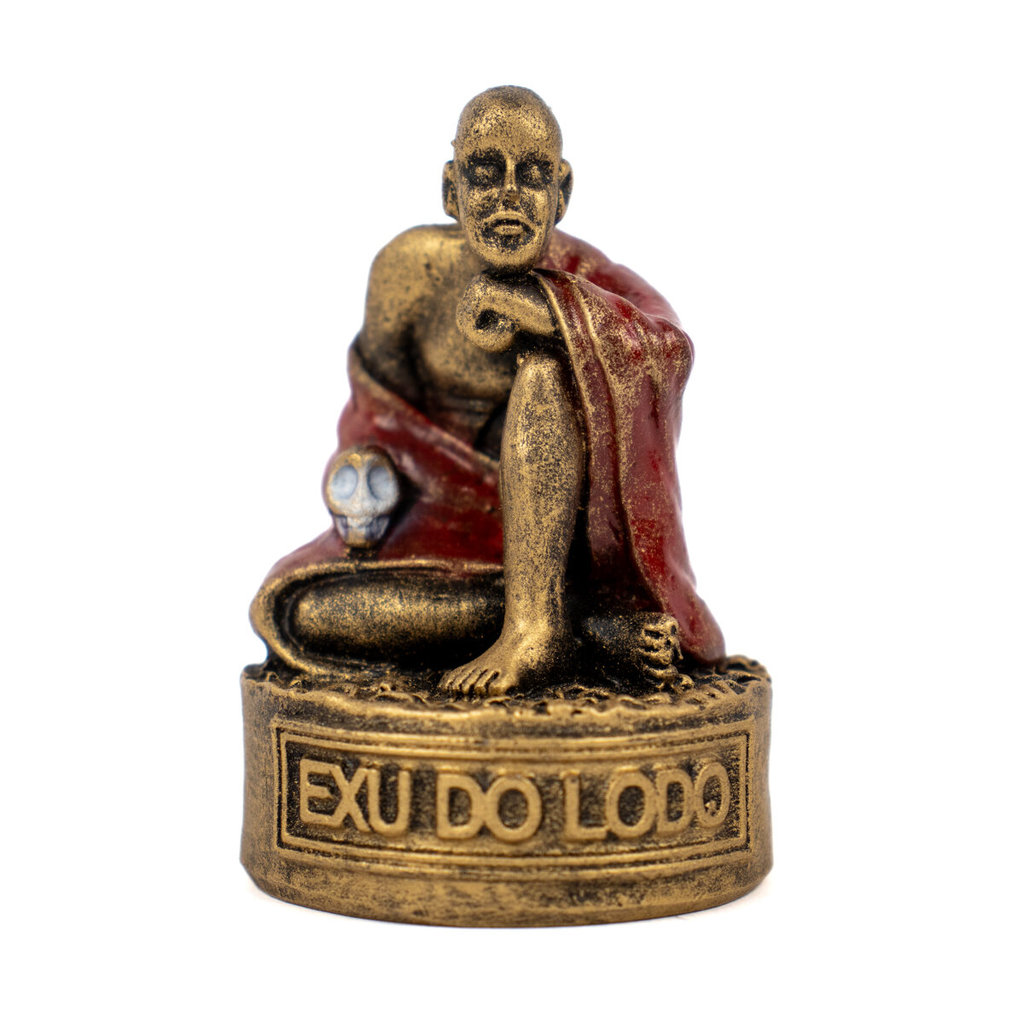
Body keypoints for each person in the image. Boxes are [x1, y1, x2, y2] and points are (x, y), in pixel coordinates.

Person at [250, 86, 724, 696]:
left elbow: (668, 346)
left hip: (560, 553)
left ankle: (535, 627)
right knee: (302, 612)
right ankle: (589, 628)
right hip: (436, 537)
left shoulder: (587, 277)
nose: (508, 195)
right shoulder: (407, 272)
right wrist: (366, 476)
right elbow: (378, 419)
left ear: (561, 193)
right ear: (452, 190)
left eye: (532, 176)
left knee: (547, 364)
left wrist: (551, 313)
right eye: (485, 173)